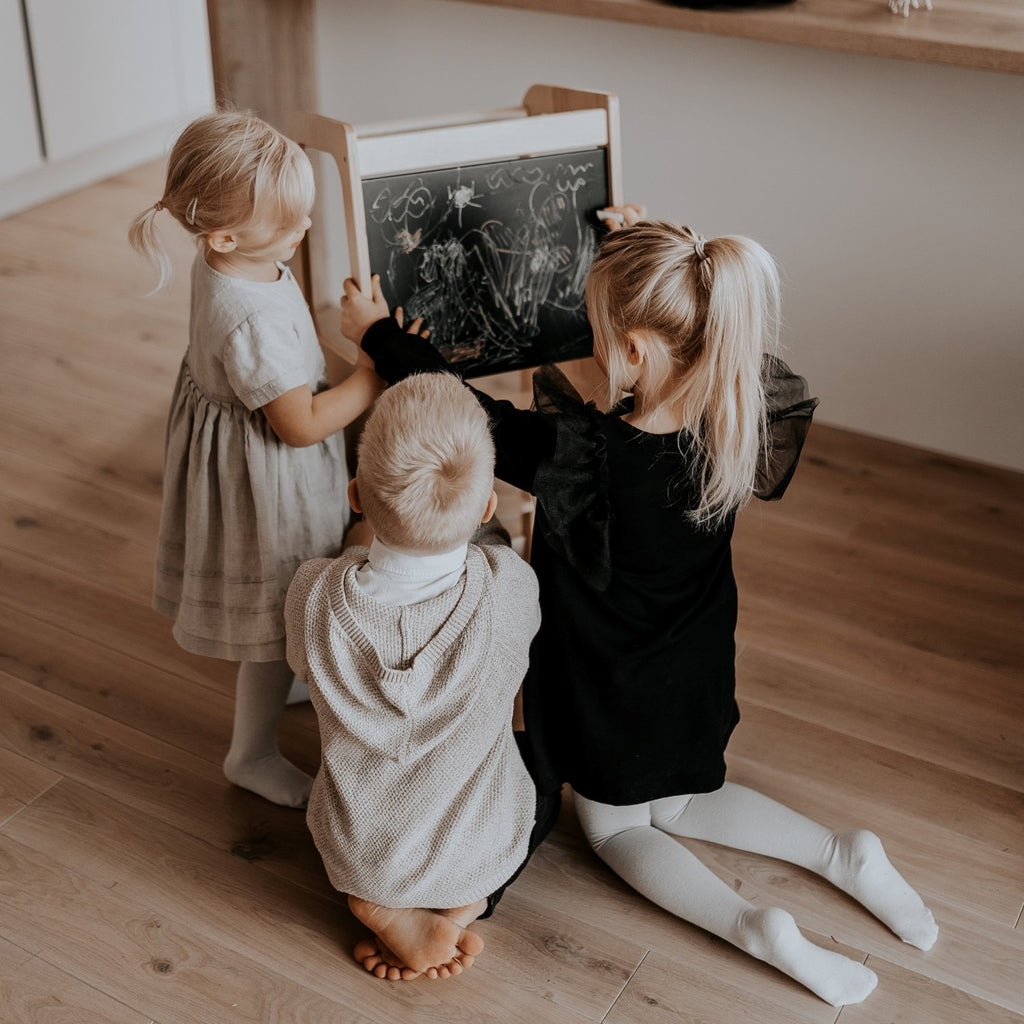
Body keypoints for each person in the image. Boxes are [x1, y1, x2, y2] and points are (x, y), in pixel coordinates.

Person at [338, 207, 939, 1006]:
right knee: (682, 795)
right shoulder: (735, 411)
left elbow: (463, 416)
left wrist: (380, 335)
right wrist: (637, 243)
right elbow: (692, 309)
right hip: (690, 672)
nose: (586, 347)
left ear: (633, 351)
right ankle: (839, 852)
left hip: (610, 683)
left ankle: (752, 925)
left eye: (596, 333)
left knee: (616, 826)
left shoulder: (584, 458)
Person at [129, 111, 383, 808]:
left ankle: (285, 680)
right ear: (224, 234)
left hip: (250, 444)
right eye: (289, 223)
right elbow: (299, 424)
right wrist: (368, 376)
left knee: (287, 606)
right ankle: (251, 753)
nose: (303, 231)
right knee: (277, 612)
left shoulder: (232, 258)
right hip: (267, 473)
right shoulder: (249, 316)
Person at [285, 373, 557, 981]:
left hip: (359, 853)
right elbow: (514, 640)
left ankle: (383, 903)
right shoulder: (509, 588)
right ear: (487, 507)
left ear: (354, 494)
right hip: (476, 846)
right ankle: (467, 904)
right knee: (542, 791)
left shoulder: (315, 595)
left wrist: (356, 551)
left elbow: (305, 669)